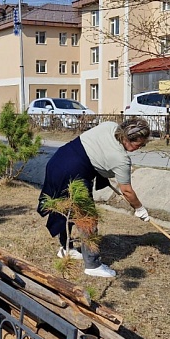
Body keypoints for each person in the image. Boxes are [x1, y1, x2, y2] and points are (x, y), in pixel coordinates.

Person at [37, 118, 151, 278]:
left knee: (65, 209)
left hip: (58, 161)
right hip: (73, 173)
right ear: (127, 139)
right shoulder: (121, 159)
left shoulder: (110, 126)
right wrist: (139, 209)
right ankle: (93, 265)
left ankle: (66, 248)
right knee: (87, 219)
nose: (140, 147)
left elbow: (95, 150)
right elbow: (127, 190)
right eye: (140, 144)